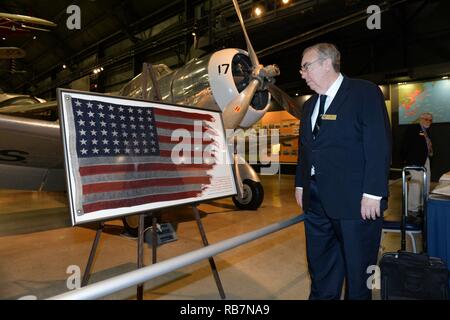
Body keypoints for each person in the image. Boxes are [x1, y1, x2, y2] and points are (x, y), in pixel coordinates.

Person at [295, 43, 391, 299]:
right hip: (316, 201)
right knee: (321, 268)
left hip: (356, 203)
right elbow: (306, 149)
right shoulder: (309, 106)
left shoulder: (364, 93)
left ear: (327, 63)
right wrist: (301, 184)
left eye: (306, 66)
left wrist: (374, 191)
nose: (302, 73)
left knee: (358, 274)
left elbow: (378, 143)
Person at [401, 112, 433, 215]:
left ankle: (423, 204)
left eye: (430, 120)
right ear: (420, 119)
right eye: (426, 119)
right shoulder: (413, 128)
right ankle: (412, 208)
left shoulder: (426, 131)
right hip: (414, 161)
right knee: (416, 184)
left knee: (426, 182)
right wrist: (407, 160)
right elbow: (405, 144)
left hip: (425, 160)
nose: (428, 121)